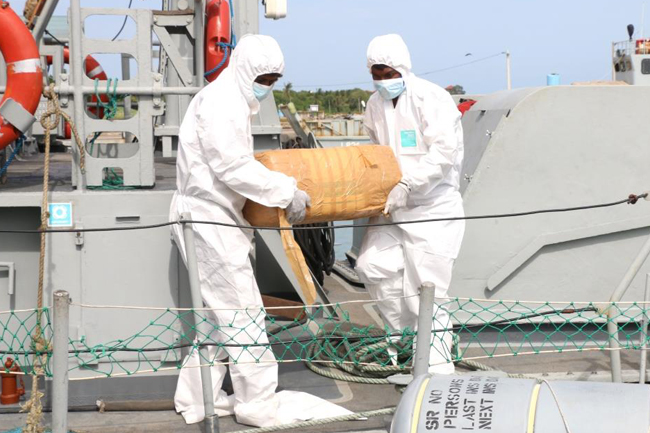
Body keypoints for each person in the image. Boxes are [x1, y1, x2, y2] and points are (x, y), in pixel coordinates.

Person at [169, 34, 349, 427]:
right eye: (263, 78)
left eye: (273, 80)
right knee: (243, 316)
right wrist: (286, 192)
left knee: (219, 319)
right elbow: (232, 166)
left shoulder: (229, 98)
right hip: (209, 221)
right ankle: (256, 404)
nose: (266, 86)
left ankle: (197, 398)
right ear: (246, 68)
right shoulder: (222, 103)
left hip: (214, 218)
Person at [355, 34, 465, 375]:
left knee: (427, 287)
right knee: (372, 266)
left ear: (401, 67)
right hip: (393, 206)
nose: (384, 80)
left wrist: (409, 182)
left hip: (432, 208)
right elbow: (377, 151)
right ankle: (403, 344)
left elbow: (444, 153)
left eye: (388, 73)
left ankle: (436, 368)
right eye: (377, 74)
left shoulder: (431, 98)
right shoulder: (374, 104)